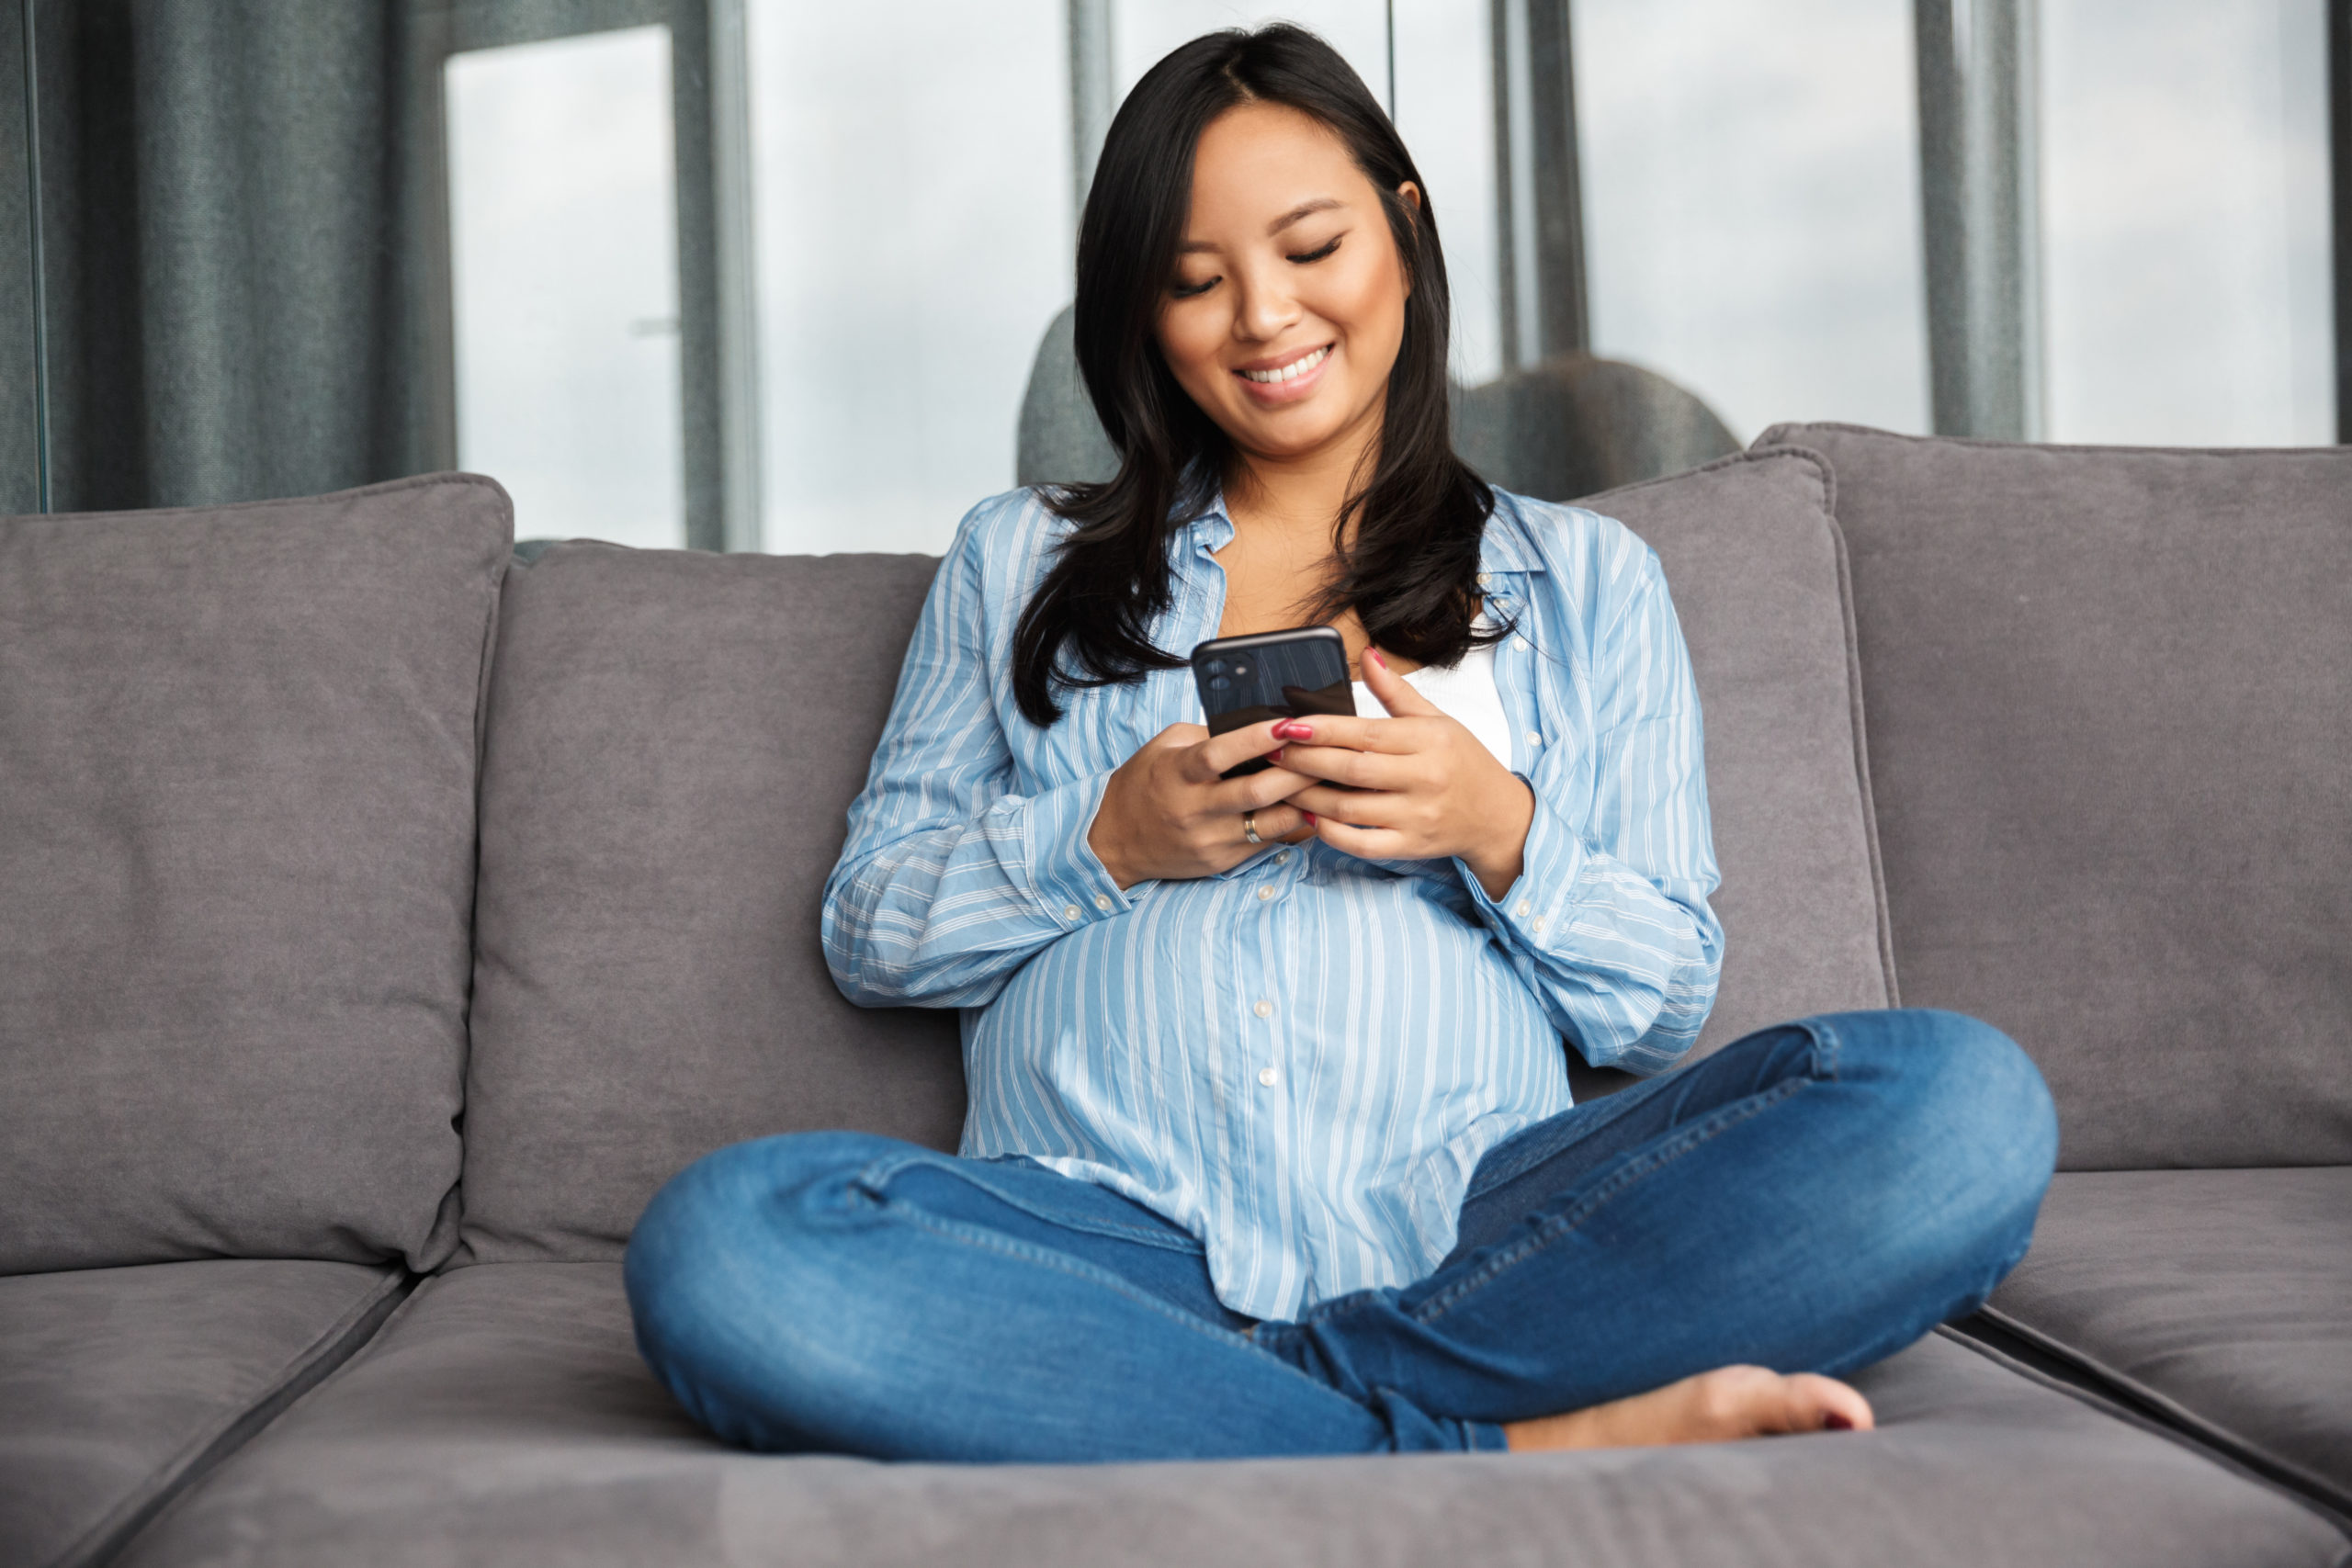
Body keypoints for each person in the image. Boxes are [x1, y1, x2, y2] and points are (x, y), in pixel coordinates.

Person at [625, 24, 2056, 1462]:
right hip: (1107, 1243)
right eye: (1196, 282)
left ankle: (1246, 1418)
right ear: (1143, 317)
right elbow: (870, 928)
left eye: (1311, 246)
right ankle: (1491, 1449)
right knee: (728, 1242)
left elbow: (1663, 995)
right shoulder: (1016, 562)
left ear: (1404, 225)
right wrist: (1106, 841)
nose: (1262, 318)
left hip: (1478, 1232)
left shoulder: (1584, 580)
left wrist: (1494, 828)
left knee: (1961, 1107)